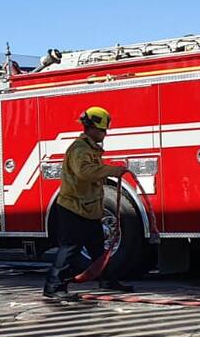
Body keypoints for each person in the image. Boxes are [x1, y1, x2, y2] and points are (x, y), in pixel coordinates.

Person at [43, 106, 134, 302]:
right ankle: (53, 287)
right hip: (73, 208)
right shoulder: (79, 149)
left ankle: (107, 279)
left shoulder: (90, 149)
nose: (105, 133)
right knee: (69, 248)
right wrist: (112, 171)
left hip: (88, 208)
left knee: (97, 248)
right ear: (91, 128)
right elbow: (84, 172)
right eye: (102, 130)